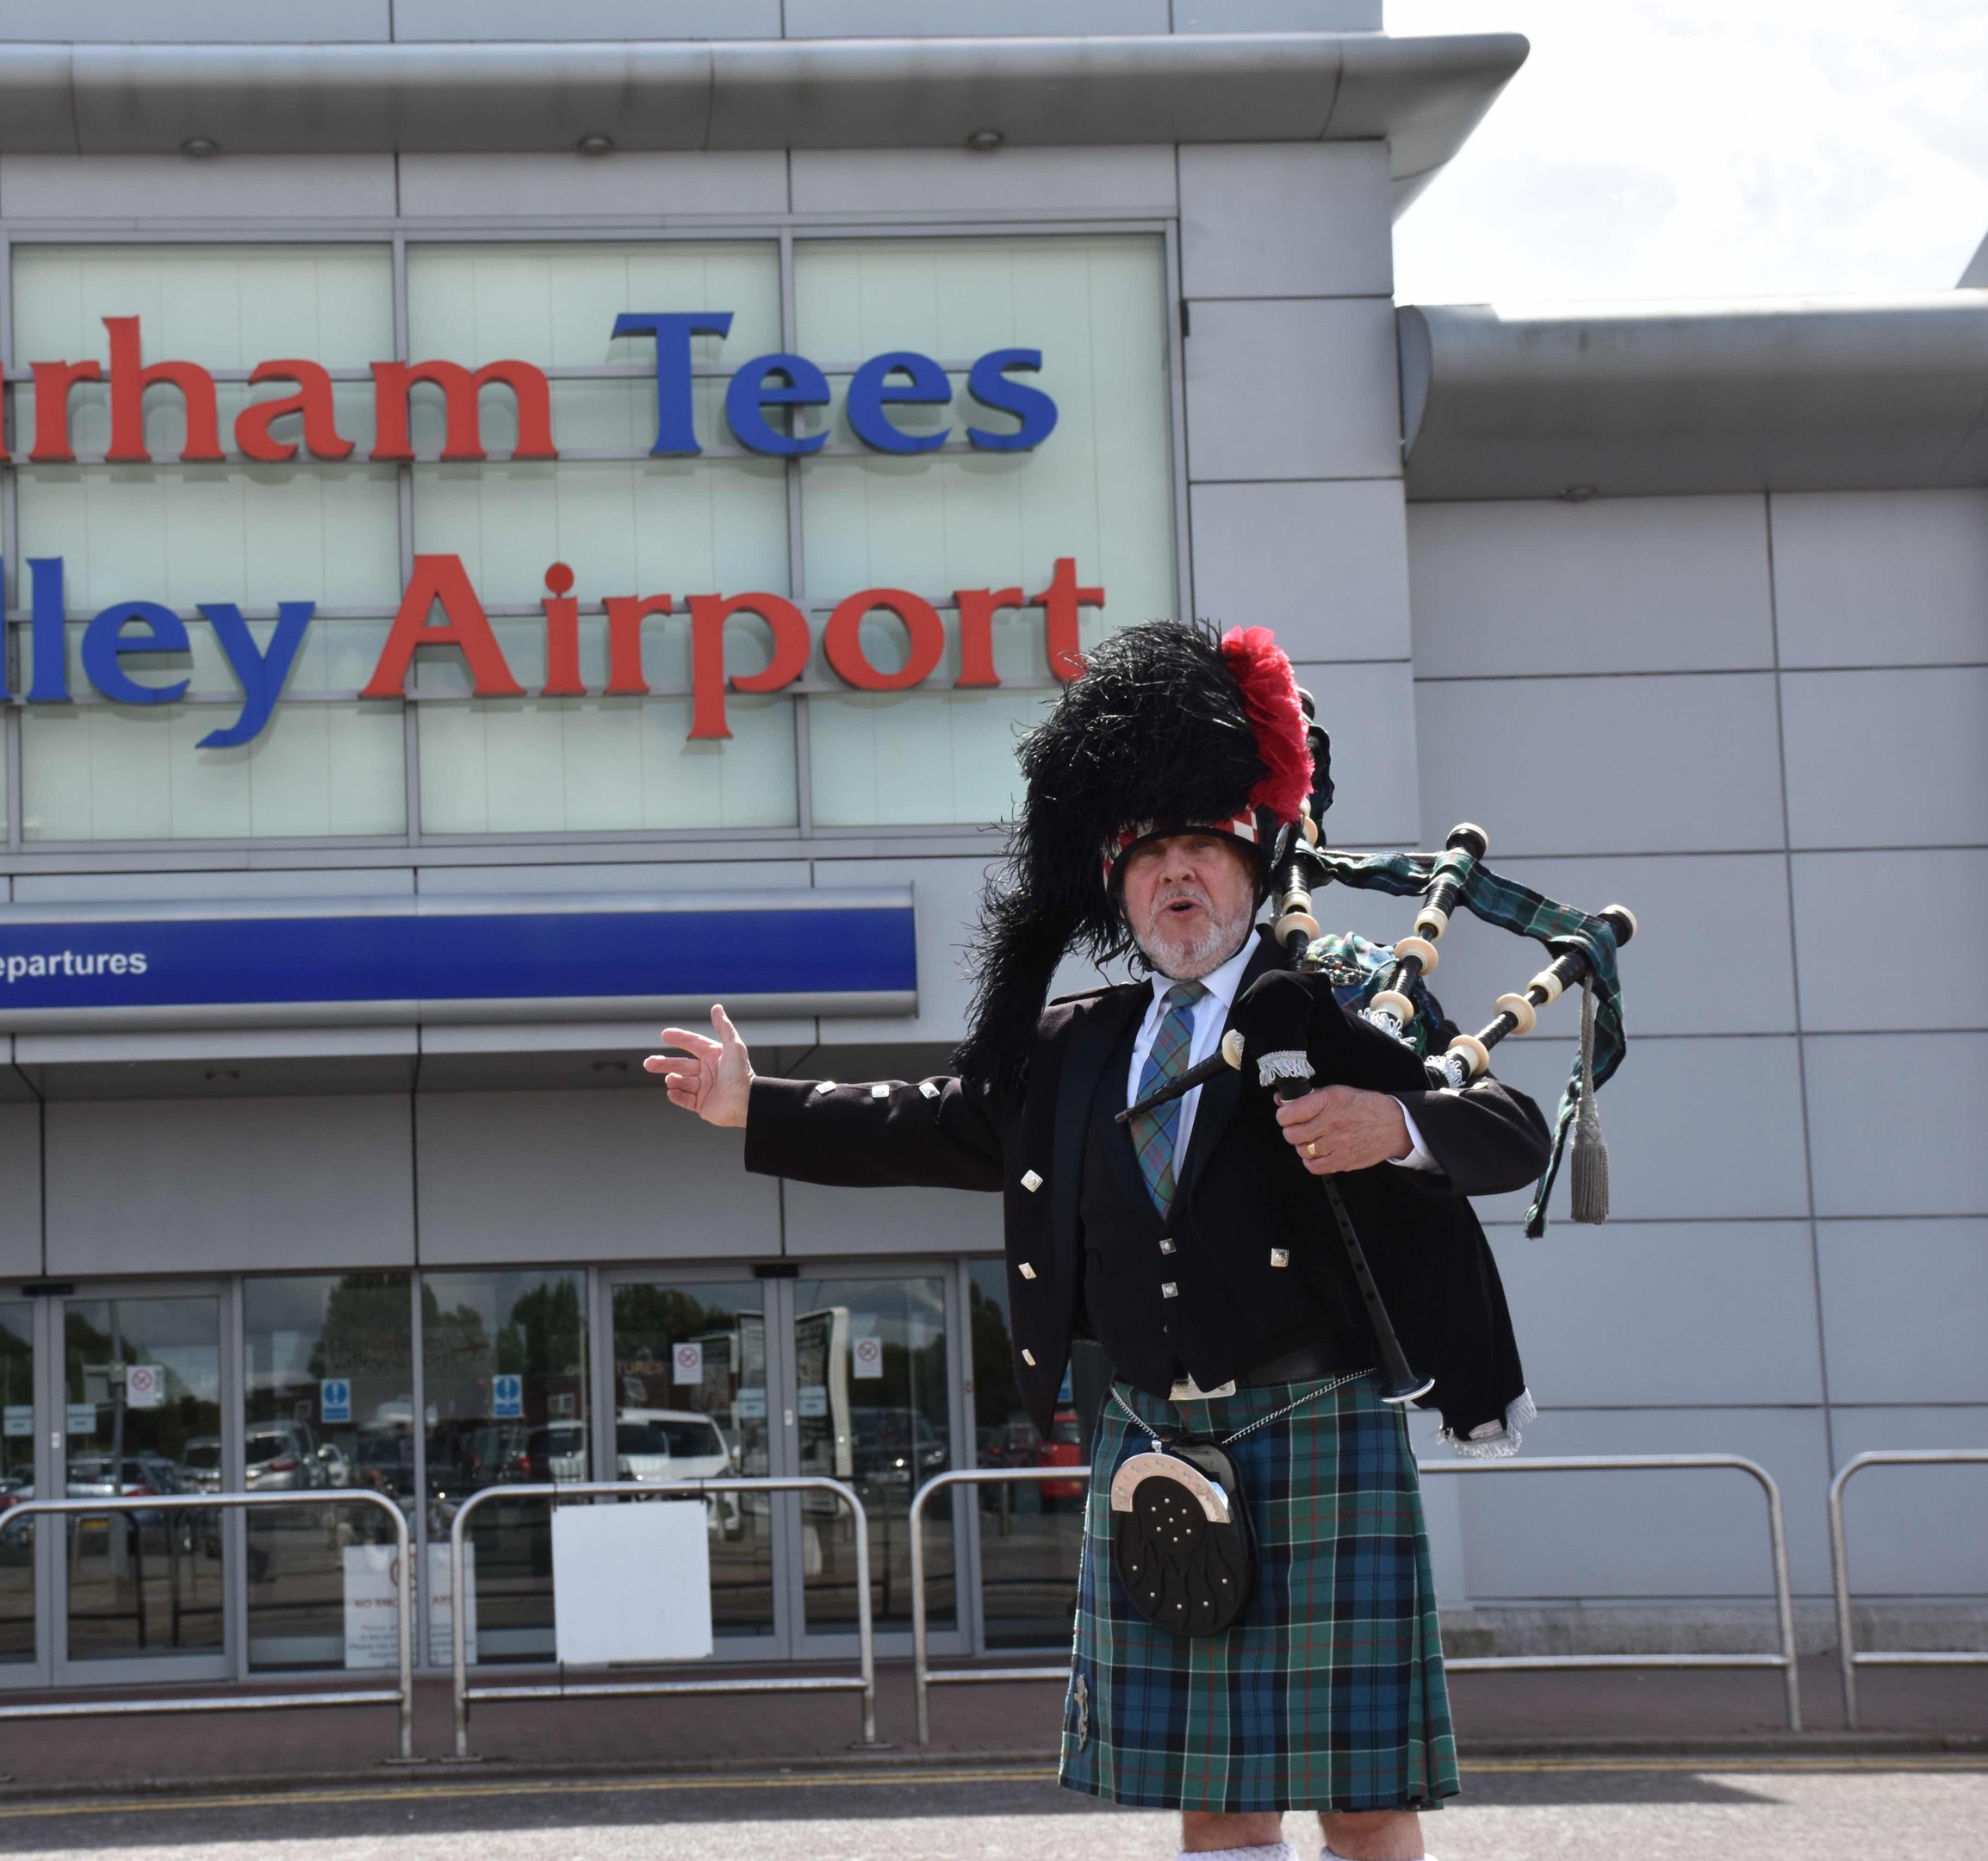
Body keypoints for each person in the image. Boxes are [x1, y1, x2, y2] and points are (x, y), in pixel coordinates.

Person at [646, 621, 1549, 1861]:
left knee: (1364, 1796)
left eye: (1204, 849)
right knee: (1217, 1795)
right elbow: (935, 1124)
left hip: (1314, 1430)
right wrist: (758, 1106)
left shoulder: (1323, 1008)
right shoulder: (1078, 1046)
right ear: (1118, 889)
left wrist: (1390, 1122)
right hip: (1157, 1440)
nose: (1180, 875)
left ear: (1251, 862)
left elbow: (1509, 1131)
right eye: (1152, 855)